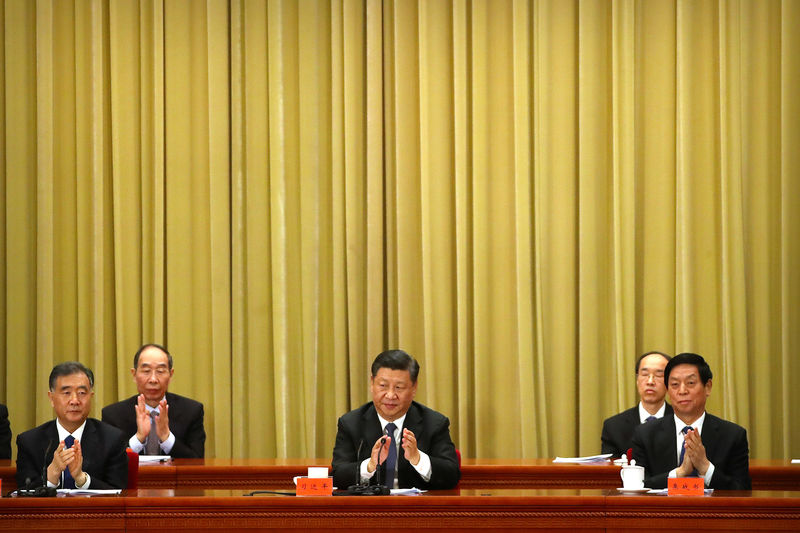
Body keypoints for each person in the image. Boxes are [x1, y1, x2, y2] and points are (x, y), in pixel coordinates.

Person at [331, 349, 461, 490]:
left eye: (399, 387)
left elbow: (452, 475)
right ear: (372, 383)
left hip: (416, 509)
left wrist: (418, 459)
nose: (391, 395)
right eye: (383, 386)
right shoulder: (351, 423)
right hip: (368, 509)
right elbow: (338, 476)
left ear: (414, 388)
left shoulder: (434, 423)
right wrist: (369, 466)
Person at [631, 352, 751, 490]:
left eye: (690, 383)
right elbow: (638, 487)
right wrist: (680, 473)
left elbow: (742, 491)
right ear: (668, 390)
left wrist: (705, 467)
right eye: (675, 384)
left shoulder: (733, 435)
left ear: (708, 387)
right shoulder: (645, 434)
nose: (682, 391)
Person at [15, 361, 128, 489]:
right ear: (51, 398)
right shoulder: (30, 442)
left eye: (81, 393)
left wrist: (82, 479)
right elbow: (22, 494)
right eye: (66, 393)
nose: (74, 400)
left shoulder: (112, 439)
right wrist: (51, 476)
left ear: (91, 396)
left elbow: (119, 492)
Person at [102, 343, 205, 458]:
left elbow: (197, 461)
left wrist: (167, 438)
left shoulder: (191, 411)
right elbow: (108, 462)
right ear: (134, 374)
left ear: (170, 375)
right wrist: (139, 438)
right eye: (146, 371)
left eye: (160, 371)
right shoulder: (113, 415)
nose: (153, 379)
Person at [601, 351, 673, 458]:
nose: (650, 381)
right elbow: (610, 471)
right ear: (637, 380)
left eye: (659, 375)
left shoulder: (682, 421)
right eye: (644, 374)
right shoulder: (614, 427)